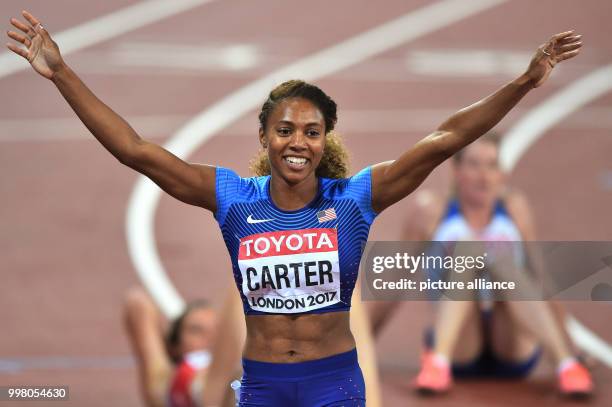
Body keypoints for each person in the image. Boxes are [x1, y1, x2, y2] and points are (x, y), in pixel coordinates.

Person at [6, 9, 583, 406]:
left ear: (325, 139)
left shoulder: (355, 199)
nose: (297, 143)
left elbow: (446, 139)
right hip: (261, 386)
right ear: (265, 138)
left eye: (310, 131)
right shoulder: (232, 198)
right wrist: (61, 74)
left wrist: (524, 83)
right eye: (285, 130)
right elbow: (135, 150)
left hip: (334, 384)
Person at [367, 133, 593, 397]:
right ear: (456, 169)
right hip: (459, 343)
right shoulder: (430, 212)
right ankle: (437, 362)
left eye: (492, 165)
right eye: (474, 165)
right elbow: (395, 281)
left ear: (502, 173)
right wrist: (359, 344)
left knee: (502, 260)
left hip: (510, 338)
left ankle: (567, 365)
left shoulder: (514, 207)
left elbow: (539, 276)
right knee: (468, 250)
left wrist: (573, 347)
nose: (483, 175)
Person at [123, 287, 219, 407]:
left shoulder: (236, 361)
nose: (210, 336)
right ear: (175, 346)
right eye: (196, 330)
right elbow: (137, 304)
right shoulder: (164, 382)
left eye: (219, 329)